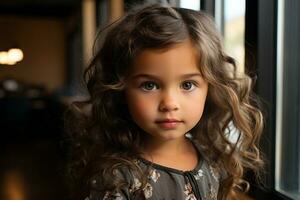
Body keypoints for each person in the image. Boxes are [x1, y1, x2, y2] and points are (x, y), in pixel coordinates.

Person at [66, 3, 264, 200]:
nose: (169, 103)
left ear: (210, 89)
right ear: (120, 89)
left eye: (187, 85)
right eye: (149, 85)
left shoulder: (213, 160)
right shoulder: (117, 177)